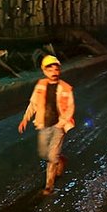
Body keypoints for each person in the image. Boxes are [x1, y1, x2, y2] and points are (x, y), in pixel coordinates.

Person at [18, 55, 75, 195]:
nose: (54, 72)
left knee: (51, 157)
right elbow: (33, 104)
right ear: (44, 71)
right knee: (44, 153)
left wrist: (62, 123)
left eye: (56, 69)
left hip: (59, 125)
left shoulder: (66, 88)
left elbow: (70, 107)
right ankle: (60, 159)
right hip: (43, 124)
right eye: (50, 70)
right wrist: (25, 119)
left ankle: (49, 185)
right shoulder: (40, 85)